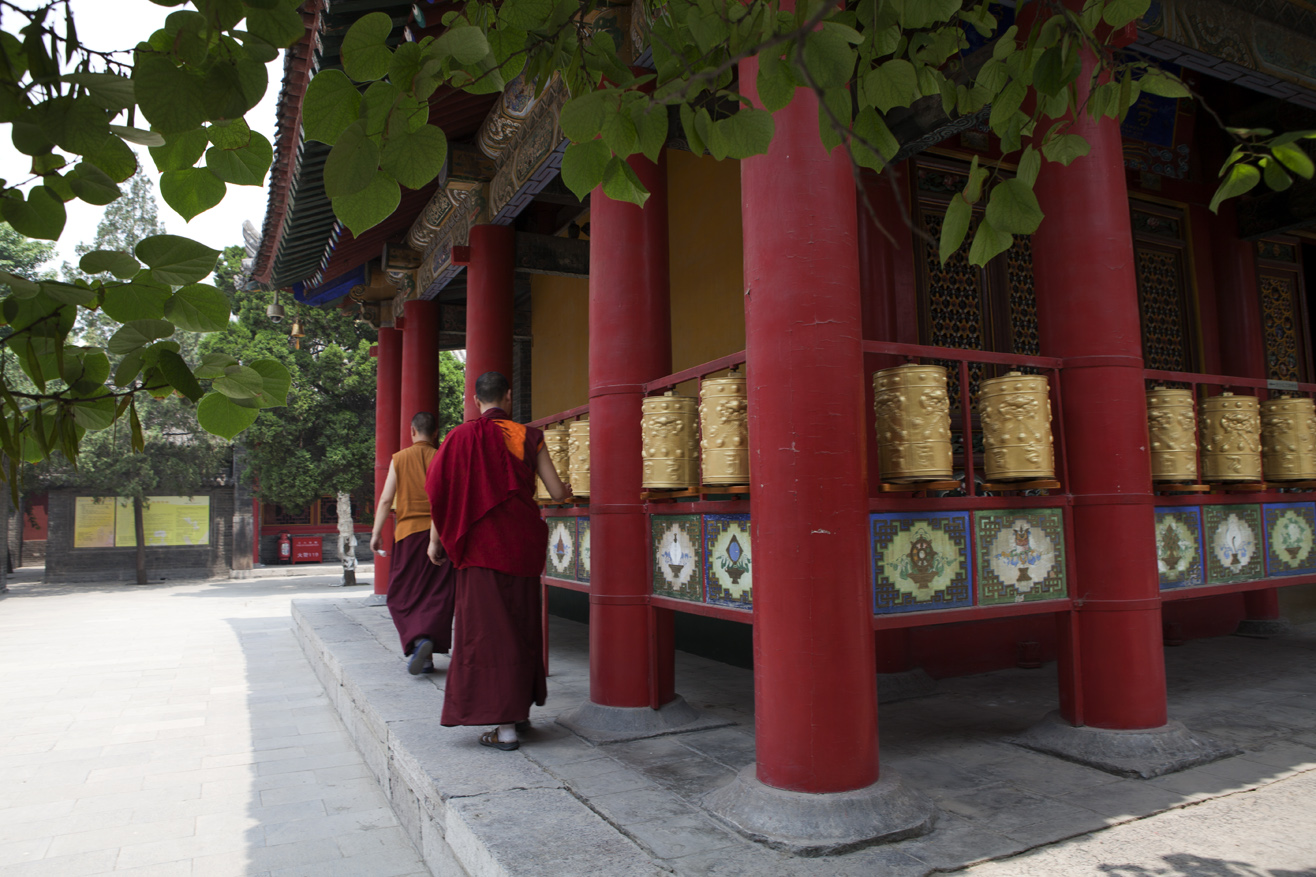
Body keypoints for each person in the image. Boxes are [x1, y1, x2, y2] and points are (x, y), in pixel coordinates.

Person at [425, 371, 570, 750]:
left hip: (480, 552)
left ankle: (504, 729)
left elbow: (440, 494)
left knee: (487, 634)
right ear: (508, 396)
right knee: (520, 627)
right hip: (520, 548)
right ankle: (516, 714)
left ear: (476, 401)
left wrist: (435, 540)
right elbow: (555, 492)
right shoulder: (528, 436)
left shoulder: (458, 438)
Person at [372, 412, 455, 676]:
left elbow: (386, 500)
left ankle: (419, 642)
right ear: (436, 433)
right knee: (436, 594)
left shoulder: (400, 458)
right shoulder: (442, 457)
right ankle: (426, 650)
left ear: (412, 431)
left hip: (407, 535)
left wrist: (376, 533)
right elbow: (444, 500)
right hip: (439, 535)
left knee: (400, 595)